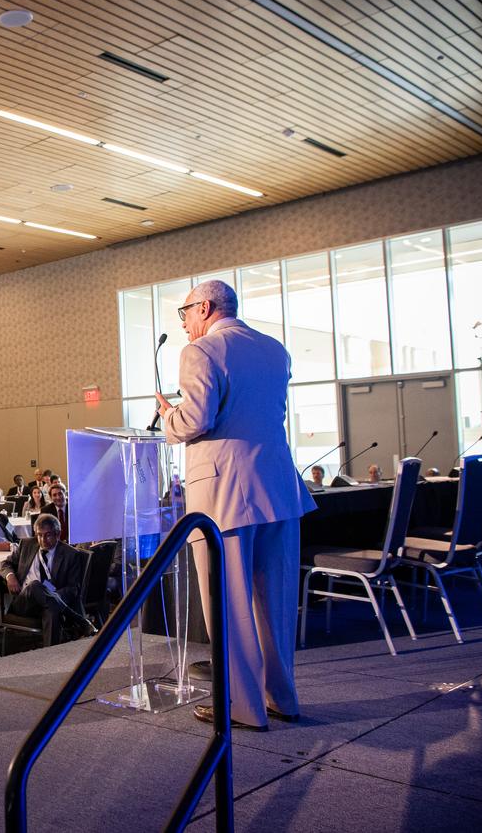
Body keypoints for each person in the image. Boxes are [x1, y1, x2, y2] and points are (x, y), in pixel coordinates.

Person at [155, 279, 315, 731]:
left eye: (185, 312)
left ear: (205, 307)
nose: (184, 322)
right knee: (276, 603)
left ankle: (244, 707)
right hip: (279, 487)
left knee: (230, 603)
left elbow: (196, 420)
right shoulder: (273, 349)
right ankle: (281, 696)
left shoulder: (201, 351)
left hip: (225, 494)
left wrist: (168, 415)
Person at [0, 513, 86, 646]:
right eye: (39, 535)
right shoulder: (26, 545)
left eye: (48, 535)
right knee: (35, 585)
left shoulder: (70, 554)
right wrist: (10, 576)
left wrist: (55, 596)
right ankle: (78, 620)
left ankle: (50, 656)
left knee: (51, 609)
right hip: (25, 602)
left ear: (57, 534)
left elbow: (73, 588)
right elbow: (5, 564)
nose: (42, 540)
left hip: (51, 601)